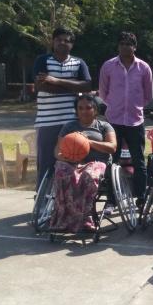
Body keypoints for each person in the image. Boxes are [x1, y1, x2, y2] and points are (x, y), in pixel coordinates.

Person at [98, 32, 153, 205]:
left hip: (135, 121)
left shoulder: (144, 68)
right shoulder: (108, 66)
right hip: (113, 120)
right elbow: (103, 93)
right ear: (118, 46)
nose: (125, 47)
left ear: (135, 47)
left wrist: (134, 107)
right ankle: (112, 200)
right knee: (112, 161)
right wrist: (116, 105)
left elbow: (148, 95)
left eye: (129, 44)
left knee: (139, 161)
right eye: (122, 43)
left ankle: (141, 197)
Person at [33, 27, 92, 189]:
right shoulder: (43, 60)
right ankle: (42, 204)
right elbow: (40, 86)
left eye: (66, 40)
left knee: (70, 163)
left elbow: (87, 85)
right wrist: (72, 86)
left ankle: (67, 203)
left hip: (71, 122)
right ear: (53, 41)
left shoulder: (79, 63)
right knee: (45, 164)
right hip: (47, 121)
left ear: (71, 45)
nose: (62, 43)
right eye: (59, 39)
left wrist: (55, 80)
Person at [50, 95, 117, 232]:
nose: (84, 111)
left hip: (97, 162)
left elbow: (112, 147)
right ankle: (63, 218)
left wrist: (89, 142)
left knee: (88, 175)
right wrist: (66, 158)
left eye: (88, 108)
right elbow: (57, 151)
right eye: (80, 108)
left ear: (95, 110)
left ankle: (86, 217)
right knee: (61, 172)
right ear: (76, 111)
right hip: (72, 162)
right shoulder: (69, 127)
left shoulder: (104, 126)